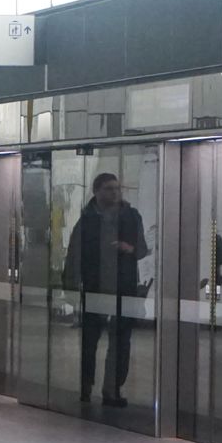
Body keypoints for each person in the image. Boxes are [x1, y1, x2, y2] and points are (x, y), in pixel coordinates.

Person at [63, 171, 149, 408]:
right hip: (95, 288)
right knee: (90, 341)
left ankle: (112, 389)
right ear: (97, 191)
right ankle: (86, 386)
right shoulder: (87, 220)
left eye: (117, 188)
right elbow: (74, 254)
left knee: (120, 341)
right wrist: (70, 286)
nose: (114, 192)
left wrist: (128, 248)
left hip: (124, 287)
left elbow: (142, 249)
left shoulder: (131, 217)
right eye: (109, 188)